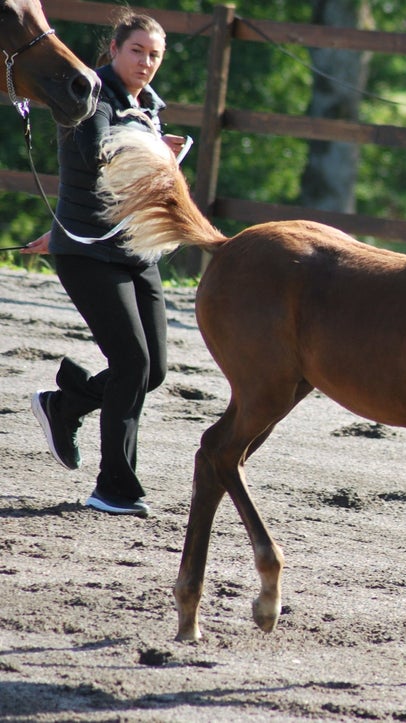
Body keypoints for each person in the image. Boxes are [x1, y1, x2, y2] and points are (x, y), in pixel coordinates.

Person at [23, 11, 188, 517]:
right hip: (89, 252)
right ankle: (114, 487)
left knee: (152, 370)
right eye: (136, 51)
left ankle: (64, 406)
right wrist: (154, 150)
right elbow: (97, 154)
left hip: (135, 250)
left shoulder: (148, 106)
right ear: (114, 50)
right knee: (132, 364)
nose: (146, 62)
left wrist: (166, 156)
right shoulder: (90, 95)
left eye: (154, 55)